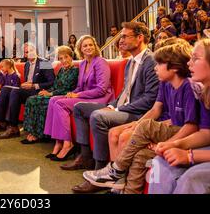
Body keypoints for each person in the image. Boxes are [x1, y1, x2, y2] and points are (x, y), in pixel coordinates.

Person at [83, 41, 199, 194]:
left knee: (144, 126)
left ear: (175, 67)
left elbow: (190, 126)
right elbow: (159, 110)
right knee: (140, 155)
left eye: (159, 64)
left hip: (182, 133)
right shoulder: (165, 83)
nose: (155, 67)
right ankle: (124, 189)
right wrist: (136, 124)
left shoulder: (189, 87)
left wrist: (166, 144)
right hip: (173, 128)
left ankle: (115, 170)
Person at [69, 22, 159, 193]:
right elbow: (126, 91)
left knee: (98, 116)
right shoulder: (130, 62)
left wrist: (118, 109)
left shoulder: (151, 61)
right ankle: (85, 157)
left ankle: (100, 170)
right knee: (80, 108)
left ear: (140, 38)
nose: (120, 39)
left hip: (138, 112)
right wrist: (112, 105)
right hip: (123, 106)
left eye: (125, 36)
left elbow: (149, 100)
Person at [149, 38, 210, 194]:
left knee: (193, 178)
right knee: (160, 163)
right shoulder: (206, 93)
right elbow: (207, 133)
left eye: (196, 58)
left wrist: (190, 155)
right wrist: (176, 144)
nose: (188, 64)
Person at [45, 36, 114, 162]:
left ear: (95, 46)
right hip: (85, 97)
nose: (88, 48)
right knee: (53, 99)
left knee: (60, 104)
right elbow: (79, 87)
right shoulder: (82, 64)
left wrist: (78, 95)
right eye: (85, 46)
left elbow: (101, 89)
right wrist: (72, 93)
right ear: (80, 49)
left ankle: (67, 144)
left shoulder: (100, 62)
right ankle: (58, 142)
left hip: (100, 99)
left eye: (90, 45)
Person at [0, 44, 55, 139]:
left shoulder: (44, 62)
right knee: (5, 89)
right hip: (27, 90)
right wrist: (25, 84)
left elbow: (52, 82)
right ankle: (2, 122)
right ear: (25, 54)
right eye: (26, 52)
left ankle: (13, 127)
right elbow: (28, 80)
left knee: (15, 92)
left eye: (31, 50)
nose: (29, 53)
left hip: (39, 90)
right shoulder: (26, 64)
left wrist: (34, 85)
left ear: (35, 50)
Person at [22, 46, 79, 145]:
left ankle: (39, 134)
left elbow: (66, 89)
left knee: (36, 101)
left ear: (71, 57)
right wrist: (46, 91)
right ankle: (31, 131)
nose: (64, 60)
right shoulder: (62, 70)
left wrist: (50, 93)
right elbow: (55, 85)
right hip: (55, 93)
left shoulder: (74, 70)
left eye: (66, 57)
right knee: (31, 99)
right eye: (61, 58)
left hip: (65, 96)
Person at [0, 59, 21, 132]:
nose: (1, 69)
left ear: (8, 66)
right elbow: (4, 87)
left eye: (2, 67)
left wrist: (1, 92)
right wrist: (0, 92)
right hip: (4, 95)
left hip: (13, 95)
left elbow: (15, 89)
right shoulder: (5, 75)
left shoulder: (16, 76)